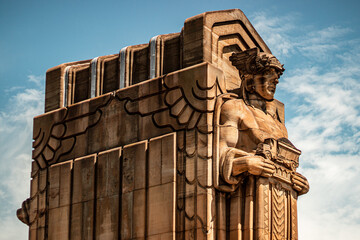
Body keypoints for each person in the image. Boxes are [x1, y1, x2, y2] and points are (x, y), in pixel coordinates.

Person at [218, 48, 308, 195]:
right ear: (249, 81)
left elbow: (288, 167)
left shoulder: (279, 126)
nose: (275, 81)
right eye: (267, 75)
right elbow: (219, 158)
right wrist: (245, 163)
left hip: (282, 198)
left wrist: (299, 183)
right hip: (249, 195)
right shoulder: (234, 108)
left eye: (276, 78)